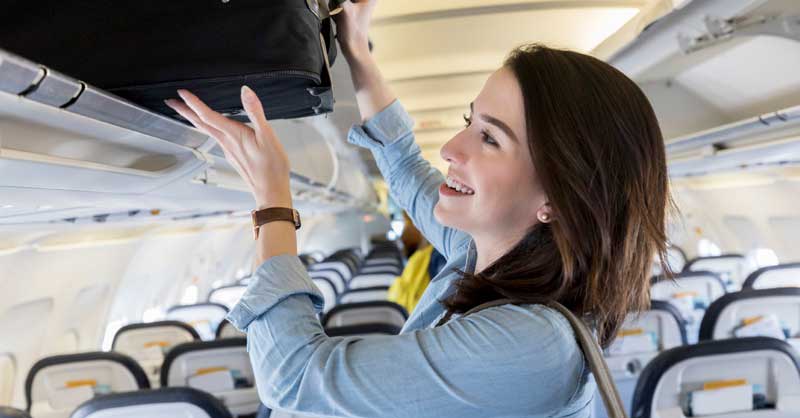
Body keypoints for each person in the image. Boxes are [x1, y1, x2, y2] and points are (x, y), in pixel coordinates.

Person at [165, 1, 671, 416]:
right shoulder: (479, 256)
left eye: (490, 138)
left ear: (556, 199)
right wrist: (358, 55)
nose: (452, 147)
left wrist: (273, 200)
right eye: (470, 121)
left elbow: (294, 378)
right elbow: (407, 166)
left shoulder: (532, 346)